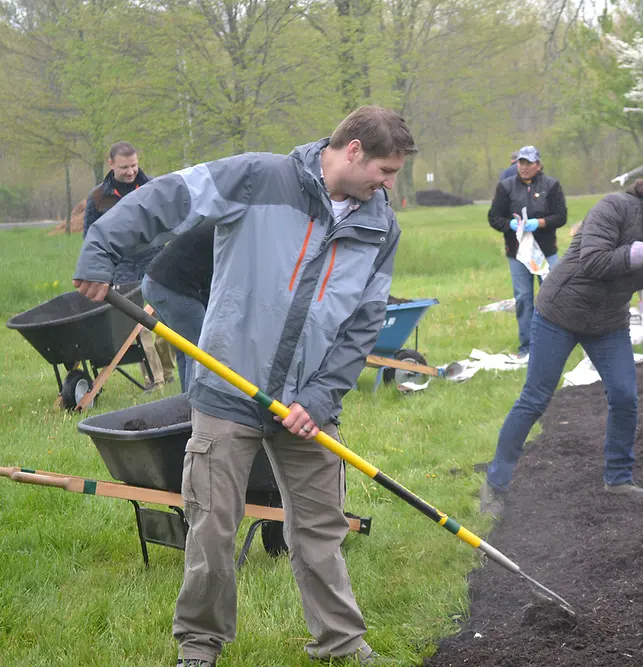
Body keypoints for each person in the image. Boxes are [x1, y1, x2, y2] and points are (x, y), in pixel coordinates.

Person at [73, 105, 418, 667]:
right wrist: (101, 248)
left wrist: (321, 397)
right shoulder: (259, 178)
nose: (388, 185)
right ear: (353, 149)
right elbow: (172, 198)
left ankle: (341, 642)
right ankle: (200, 646)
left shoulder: (380, 224)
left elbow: (362, 323)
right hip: (230, 387)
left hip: (309, 401)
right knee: (211, 525)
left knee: (322, 529)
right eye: (386, 171)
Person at [480, 168, 643, 517]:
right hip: (559, 314)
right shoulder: (614, 208)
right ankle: (495, 484)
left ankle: (618, 478)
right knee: (535, 398)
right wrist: (640, 253)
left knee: (625, 395)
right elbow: (593, 261)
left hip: (607, 322)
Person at [83, 140, 175, 388]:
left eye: (134, 165)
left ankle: (168, 371)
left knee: (166, 320)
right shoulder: (98, 198)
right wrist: (100, 272)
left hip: (156, 260)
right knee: (139, 326)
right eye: (124, 167)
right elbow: (90, 238)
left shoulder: (152, 187)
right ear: (111, 164)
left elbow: (171, 221)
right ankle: (153, 380)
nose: (131, 171)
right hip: (122, 267)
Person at [487, 145, 568, 358]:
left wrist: (539, 223)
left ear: (538, 165)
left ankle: (555, 343)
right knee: (523, 298)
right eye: (521, 163)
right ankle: (527, 346)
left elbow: (561, 216)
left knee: (551, 296)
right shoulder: (505, 187)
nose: (523, 167)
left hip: (546, 251)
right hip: (518, 253)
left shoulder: (551, 185)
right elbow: (494, 218)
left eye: (528, 163)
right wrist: (510, 226)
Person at [141, 223, 216, 392]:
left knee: (184, 350)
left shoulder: (213, 222)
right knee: (198, 352)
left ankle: (185, 403)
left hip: (153, 282)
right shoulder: (225, 233)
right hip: (173, 287)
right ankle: (195, 409)